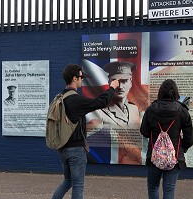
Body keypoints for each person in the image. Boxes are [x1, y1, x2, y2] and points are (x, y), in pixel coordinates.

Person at [52, 63, 120, 199]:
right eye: (81, 77)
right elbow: (100, 102)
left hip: (62, 148)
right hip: (76, 150)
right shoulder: (75, 100)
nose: (82, 79)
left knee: (67, 181)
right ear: (74, 78)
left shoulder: (59, 98)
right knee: (78, 185)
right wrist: (111, 88)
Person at [140, 79, 193, 199]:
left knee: (153, 187)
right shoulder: (183, 111)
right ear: (176, 93)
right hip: (174, 157)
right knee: (169, 189)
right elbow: (189, 138)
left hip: (154, 156)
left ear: (160, 92)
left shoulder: (151, 109)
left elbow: (144, 131)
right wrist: (181, 148)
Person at [85, 61, 141, 164]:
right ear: (109, 82)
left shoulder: (134, 109)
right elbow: (84, 136)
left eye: (124, 81)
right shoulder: (98, 111)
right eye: (115, 81)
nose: (120, 86)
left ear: (131, 82)